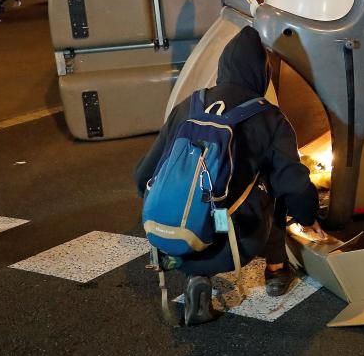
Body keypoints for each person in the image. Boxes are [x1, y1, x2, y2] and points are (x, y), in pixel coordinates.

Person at [134, 27, 322, 325]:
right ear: (261, 74)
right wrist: (308, 215)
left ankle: (198, 276)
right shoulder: (269, 116)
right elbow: (293, 183)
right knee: (273, 186)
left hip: (176, 235)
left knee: (205, 200)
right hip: (237, 240)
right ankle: (275, 269)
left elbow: (143, 173)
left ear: (223, 68)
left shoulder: (189, 105)